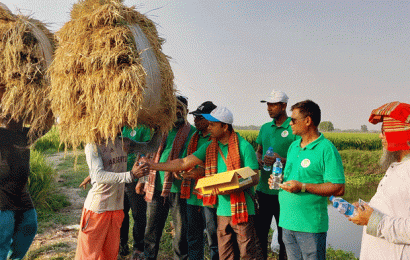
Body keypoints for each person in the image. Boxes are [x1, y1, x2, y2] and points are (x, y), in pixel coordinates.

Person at [142, 106, 264, 260]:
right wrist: (153, 165)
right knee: (225, 255)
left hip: (242, 211)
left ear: (225, 127)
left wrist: (231, 186)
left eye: (213, 124)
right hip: (222, 211)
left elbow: (254, 177)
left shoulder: (243, 146)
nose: (209, 127)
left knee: (247, 254)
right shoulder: (211, 146)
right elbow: (183, 162)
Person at [273, 100, 345, 260]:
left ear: (307, 121)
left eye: (293, 120)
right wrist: (279, 180)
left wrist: (303, 187)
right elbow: (293, 177)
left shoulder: (326, 149)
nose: (289, 123)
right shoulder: (293, 147)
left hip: (310, 226)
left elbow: (338, 188)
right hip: (287, 223)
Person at [75, 130, 160, 260]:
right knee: (88, 256)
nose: (121, 123)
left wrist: (160, 128)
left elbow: (151, 146)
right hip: (97, 210)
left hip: (116, 209)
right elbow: (98, 175)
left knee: (109, 255)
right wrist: (130, 175)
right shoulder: (93, 145)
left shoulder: (124, 142)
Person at [348, 101, 410, 260]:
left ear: (398, 134)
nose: (380, 135)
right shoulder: (398, 166)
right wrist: (367, 207)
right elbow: (395, 206)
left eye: (384, 131)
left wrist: (374, 220)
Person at [142, 95, 196, 260]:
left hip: (179, 188)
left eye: (181, 109)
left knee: (180, 233)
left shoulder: (192, 132)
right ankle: (148, 257)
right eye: (175, 108)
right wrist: (141, 180)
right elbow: (148, 154)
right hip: (156, 186)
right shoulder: (161, 130)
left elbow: (188, 159)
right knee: (151, 230)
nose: (178, 112)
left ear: (186, 111)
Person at [0, 117, 53, 260]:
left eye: (19, 116)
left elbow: (47, 124)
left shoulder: (25, 135)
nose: (16, 119)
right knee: (4, 233)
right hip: (2, 195)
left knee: (29, 225)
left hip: (21, 192)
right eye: (12, 116)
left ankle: (14, 257)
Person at [255, 89, 299, 260]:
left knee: (285, 237)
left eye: (273, 104)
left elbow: (298, 159)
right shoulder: (265, 128)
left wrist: (280, 160)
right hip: (264, 190)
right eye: (268, 104)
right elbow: (259, 151)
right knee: (260, 234)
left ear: (284, 106)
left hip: (285, 192)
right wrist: (259, 160)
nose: (269, 108)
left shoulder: (293, 128)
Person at [184, 101, 219, 260]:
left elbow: (222, 168)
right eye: (195, 117)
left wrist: (202, 171)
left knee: (214, 239)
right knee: (193, 237)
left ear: (210, 119)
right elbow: (186, 161)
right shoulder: (194, 137)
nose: (195, 120)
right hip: (193, 196)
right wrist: (182, 171)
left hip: (210, 197)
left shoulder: (216, 139)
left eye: (199, 117)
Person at [120, 125, 152, 259]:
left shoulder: (145, 128)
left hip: (136, 178)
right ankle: (122, 245)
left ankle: (138, 248)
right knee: (121, 214)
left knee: (138, 215)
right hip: (120, 177)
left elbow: (147, 154)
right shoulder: (123, 127)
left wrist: (142, 180)